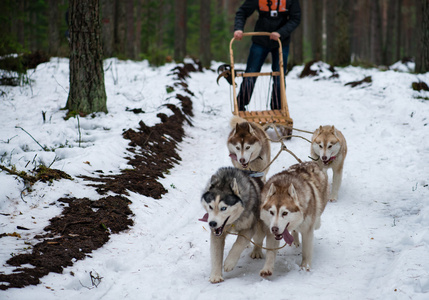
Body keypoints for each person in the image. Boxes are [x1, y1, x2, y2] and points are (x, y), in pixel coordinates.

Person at [234, 0, 301, 111]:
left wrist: (281, 32)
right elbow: (242, 12)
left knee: (279, 77)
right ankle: (240, 106)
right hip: (260, 40)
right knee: (250, 74)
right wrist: (238, 28)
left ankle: (277, 109)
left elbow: (295, 18)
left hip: (281, 42)